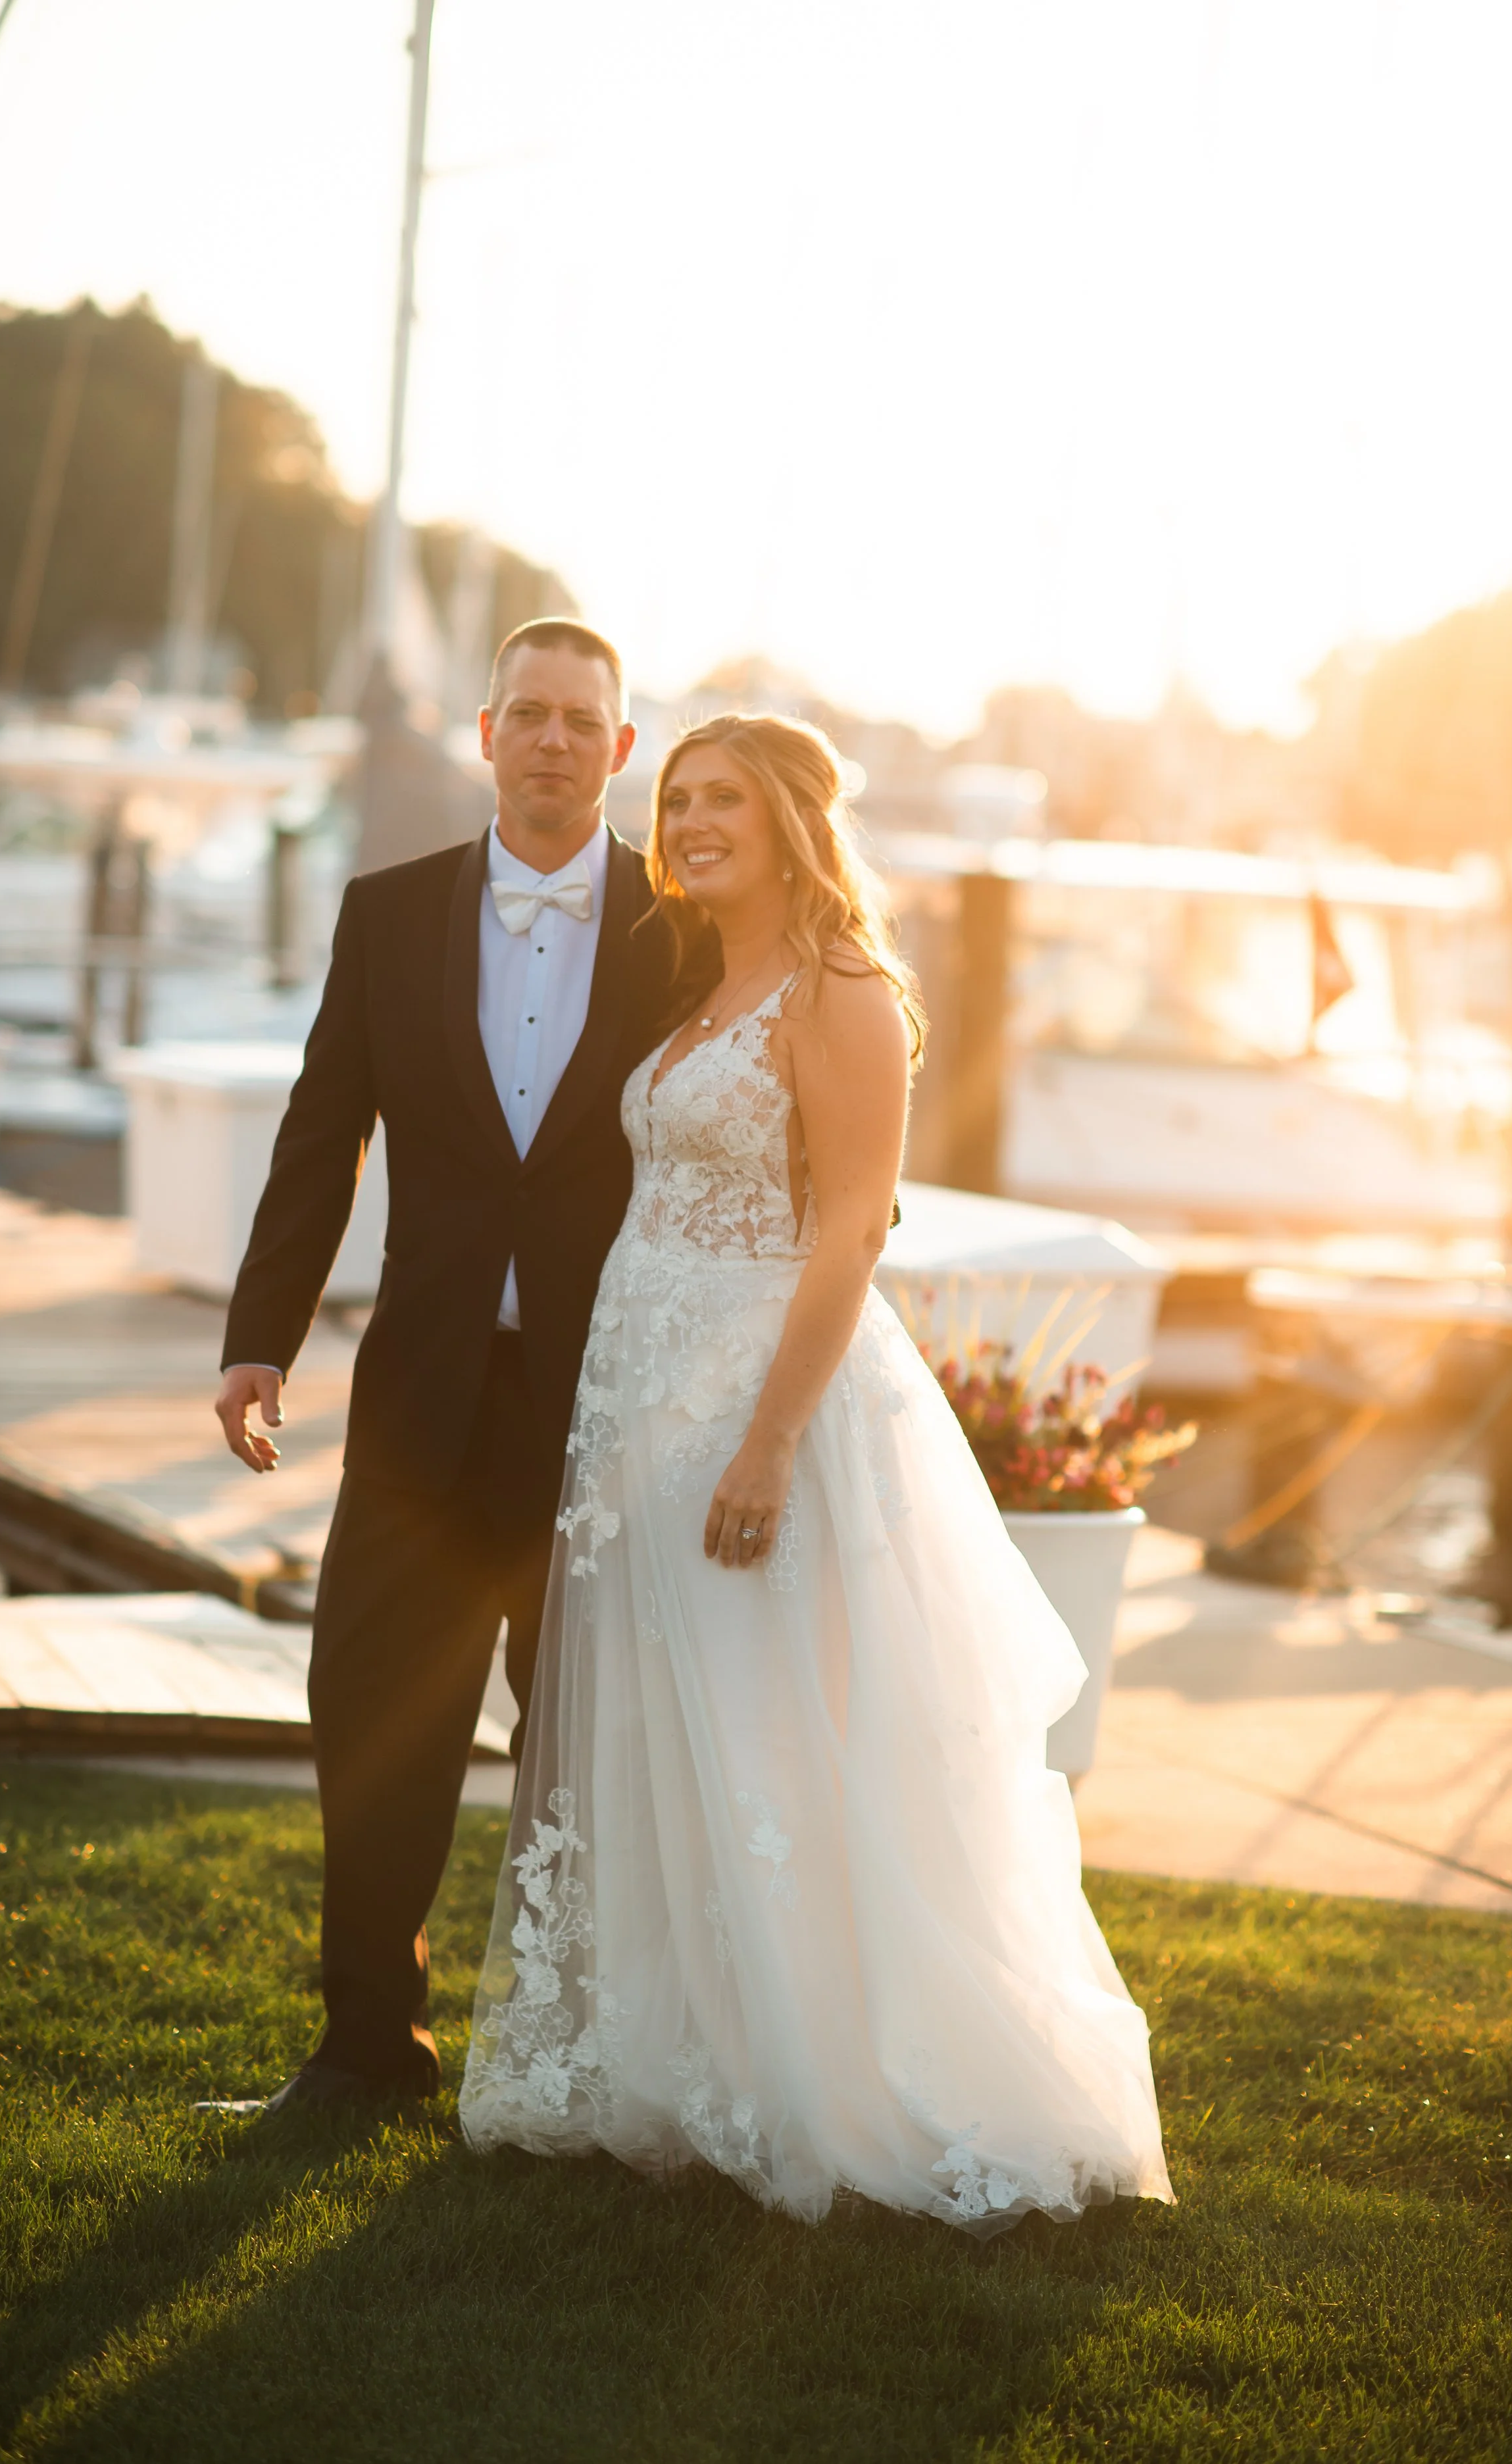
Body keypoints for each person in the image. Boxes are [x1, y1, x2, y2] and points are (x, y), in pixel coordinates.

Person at [458, 713, 1172, 2232]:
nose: (693, 820)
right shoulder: (704, 979)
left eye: (722, 799)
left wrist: (768, 1442)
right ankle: (681, 2057)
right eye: (679, 800)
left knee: (779, 1730)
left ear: (789, 820)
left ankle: (824, 2080)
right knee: (675, 1727)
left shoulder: (843, 990)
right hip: (639, 1402)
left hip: (759, 1409)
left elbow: (850, 1228)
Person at [213, 618, 690, 2110]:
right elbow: (319, 1140)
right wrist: (256, 1343)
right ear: (486, 734)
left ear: (620, 752)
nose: (552, 741)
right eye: (527, 714)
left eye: (581, 722)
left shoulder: (689, 934)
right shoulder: (387, 913)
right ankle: (369, 2050)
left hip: (601, 1413)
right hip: (421, 1398)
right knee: (371, 1718)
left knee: (592, 1743)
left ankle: (581, 2067)